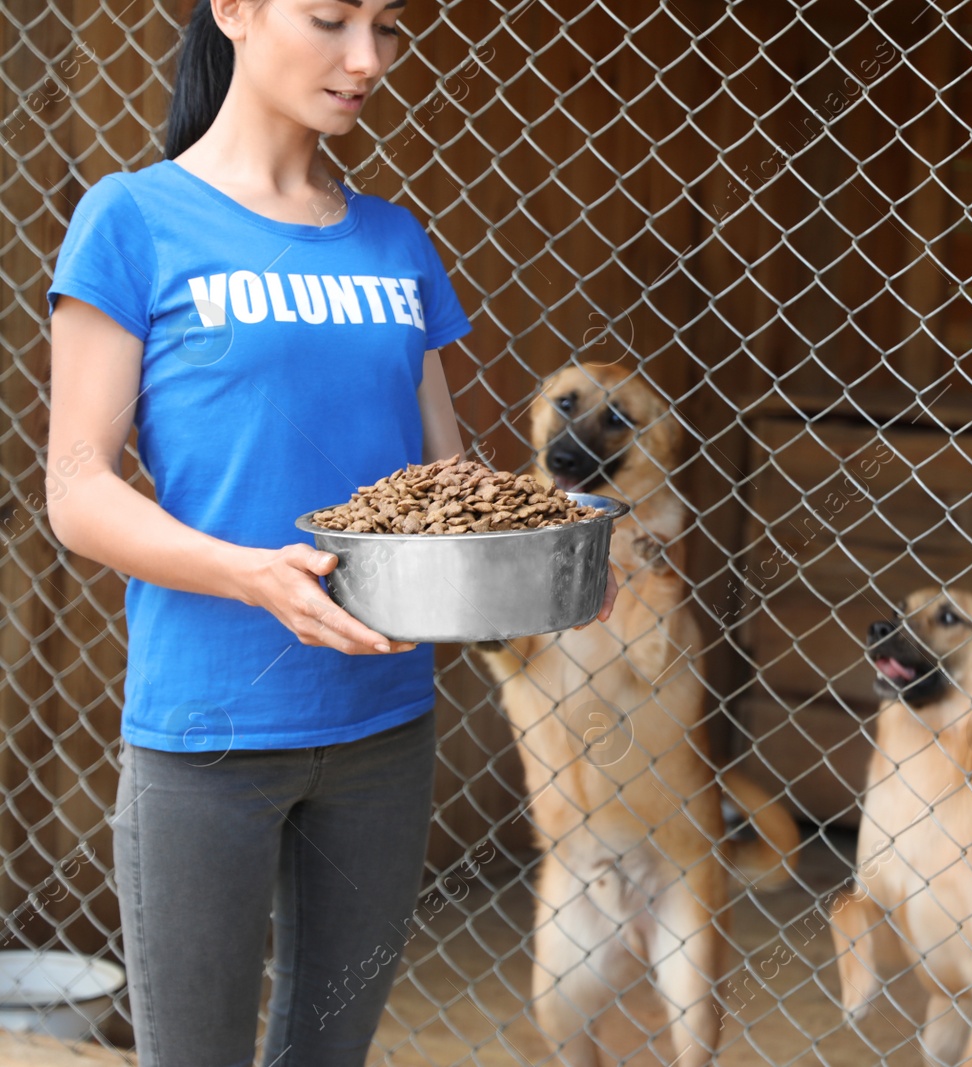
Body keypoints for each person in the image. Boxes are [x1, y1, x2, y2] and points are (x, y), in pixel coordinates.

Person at [46, 2, 612, 1063]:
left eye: (389, 27)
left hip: (381, 722)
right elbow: (78, 489)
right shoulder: (132, 218)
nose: (366, 60)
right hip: (207, 721)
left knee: (328, 1052)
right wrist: (250, 573)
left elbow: (446, 479)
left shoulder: (393, 237)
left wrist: (548, 553)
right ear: (238, 13)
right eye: (330, 19)